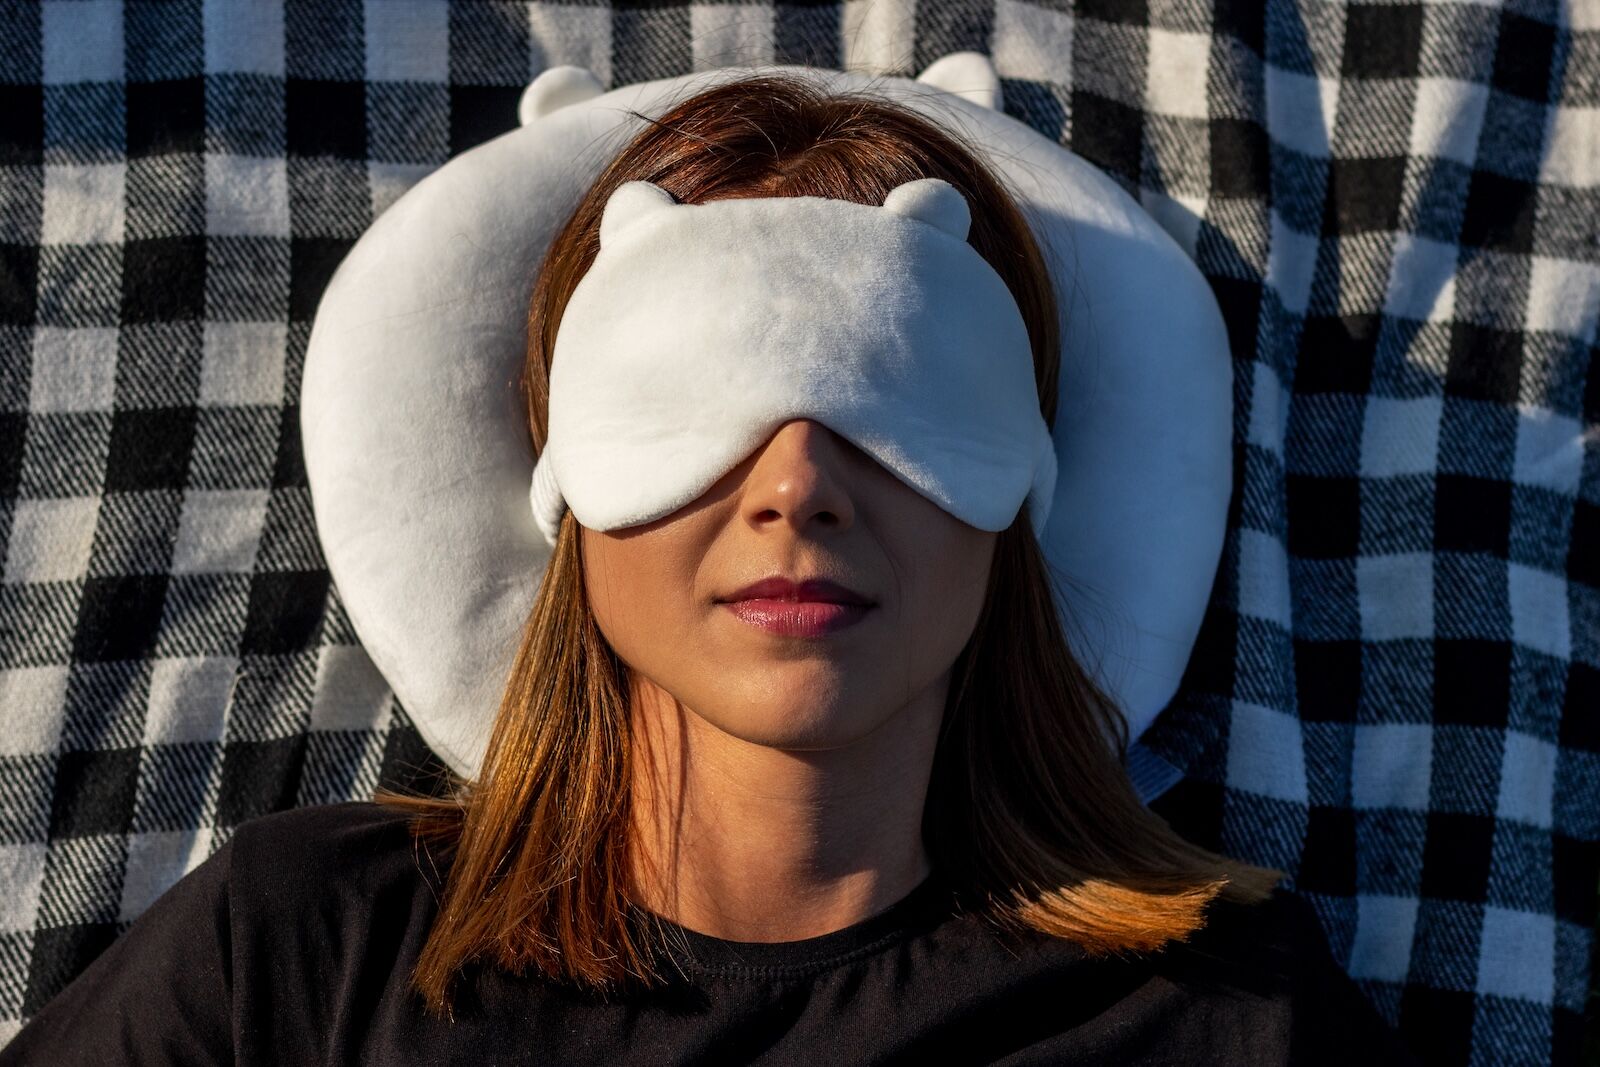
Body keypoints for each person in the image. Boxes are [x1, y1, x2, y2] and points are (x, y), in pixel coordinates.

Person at [0, 72, 1421, 1066]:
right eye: (694, 406)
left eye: (898, 401)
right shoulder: (300, 953)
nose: (796, 488)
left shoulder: (1228, 1012)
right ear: (562, 489)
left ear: (1023, 497)